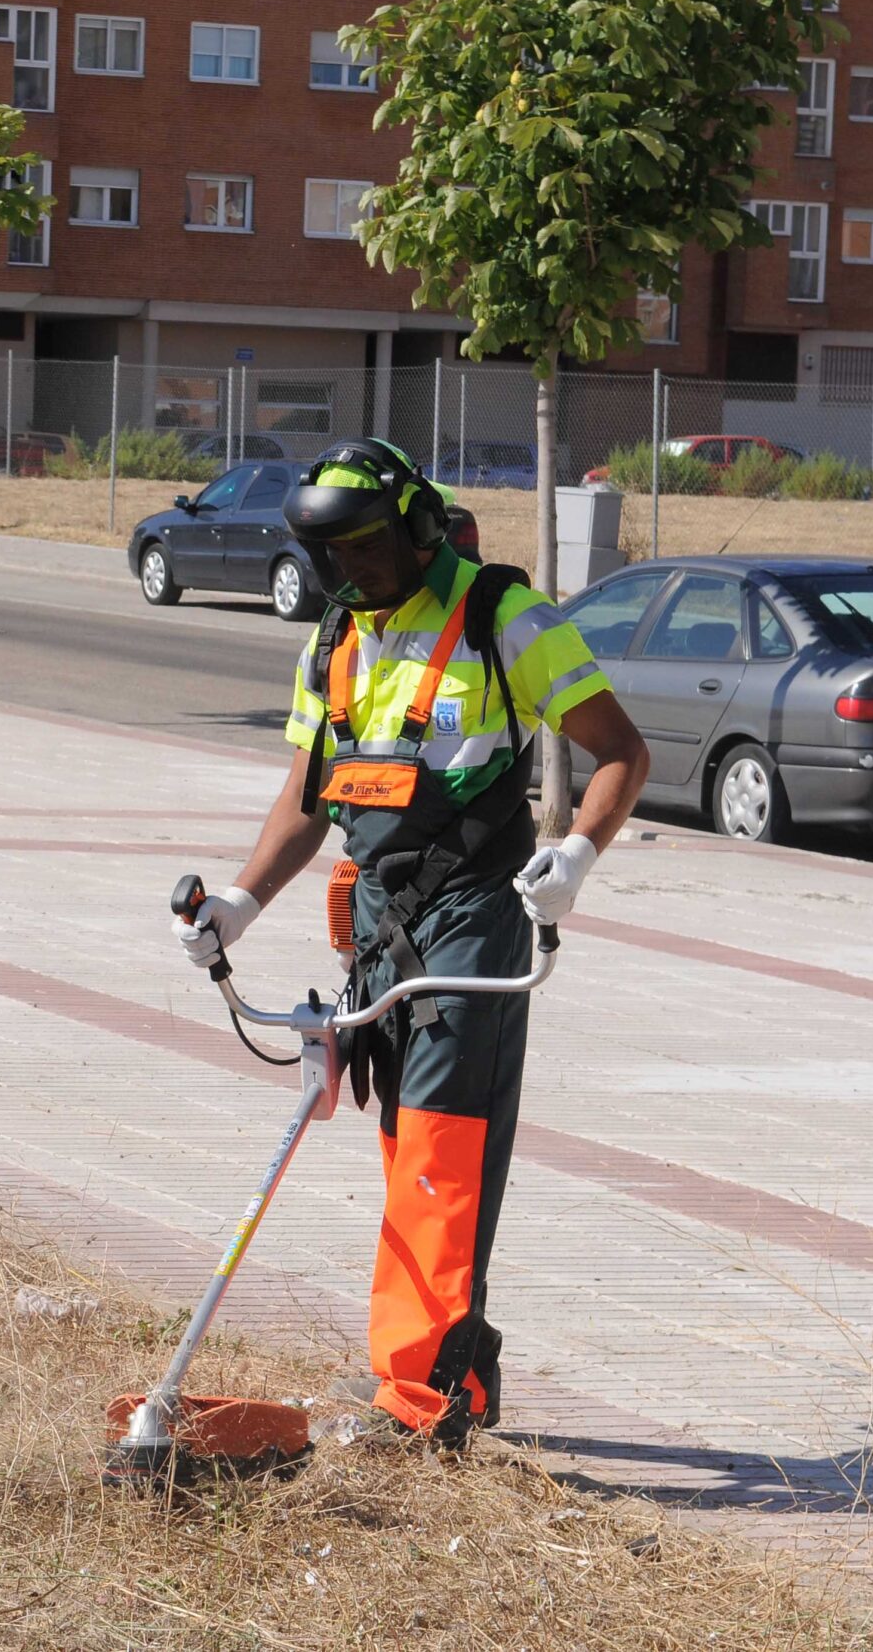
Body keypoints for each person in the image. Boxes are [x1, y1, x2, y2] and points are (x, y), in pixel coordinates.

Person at [172, 437, 650, 1451]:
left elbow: (622, 749)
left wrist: (573, 855)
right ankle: (446, 1366)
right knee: (409, 1150)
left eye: (365, 546)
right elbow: (308, 793)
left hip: (476, 912)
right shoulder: (337, 635)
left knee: (442, 1148)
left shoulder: (499, 616)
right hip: (380, 921)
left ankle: (419, 1398)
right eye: (332, 552)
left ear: (418, 528)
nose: (352, 569)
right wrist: (242, 900)